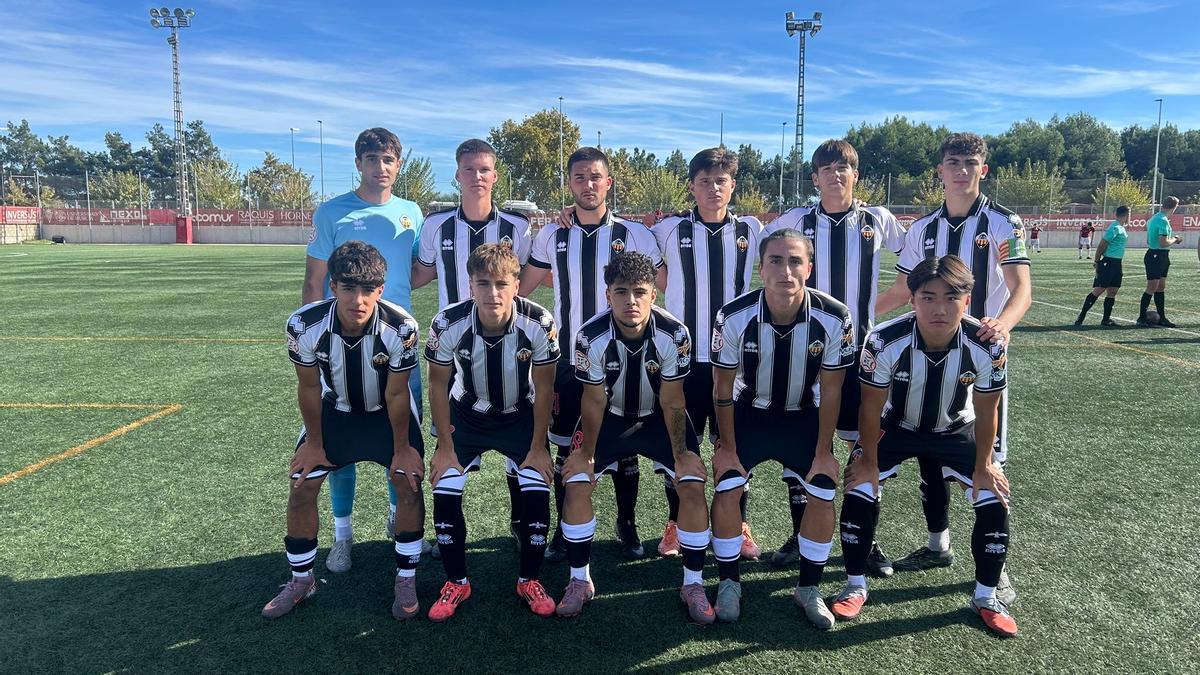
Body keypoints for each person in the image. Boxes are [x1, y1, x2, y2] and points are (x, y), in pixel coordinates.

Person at [877, 132, 1029, 605]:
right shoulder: (923, 229)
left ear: (983, 170)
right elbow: (904, 291)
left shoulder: (1005, 222)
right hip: (923, 353)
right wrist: (857, 320)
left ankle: (995, 569)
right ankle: (937, 545)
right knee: (928, 452)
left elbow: (1021, 288)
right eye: (952, 162)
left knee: (988, 464)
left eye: (969, 162)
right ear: (939, 171)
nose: (961, 169)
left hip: (978, 358)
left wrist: (999, 327)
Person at [833, 255, 1017, 638]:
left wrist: (985, 465)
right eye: (928, 297)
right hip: (895, 426)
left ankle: (985, 596)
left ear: (967, 301)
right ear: (912, 299)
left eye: (951, 297)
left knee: (995, 497)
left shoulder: (988, 344)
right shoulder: (884, 340)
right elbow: (869, 407)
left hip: (955, 428)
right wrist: (866, 458)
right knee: (858, 487)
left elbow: (987, 411)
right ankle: (854, 584)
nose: (939, 308)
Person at [764, 139, 906, 574]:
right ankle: (800, 534)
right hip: (807, 353)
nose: (835, 175)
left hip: (863, 353)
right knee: (806, 449)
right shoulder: (794, 220)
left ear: (855, 175)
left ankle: (866, 539)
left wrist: (865, 313)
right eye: (826, 169)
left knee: (865, 449)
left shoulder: (877, 219)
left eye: (842, 168)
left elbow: (913, 267)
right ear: (815, 178)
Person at [264, 241, 426, 620]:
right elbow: (307, 387)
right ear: (332, 287)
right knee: (302, 483)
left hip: (386, 415)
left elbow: (398, 393)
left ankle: (405, 577)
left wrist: (402, 449)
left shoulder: (401, 327)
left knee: (407, 480)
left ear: (380, 290)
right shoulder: (304, 324)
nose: (359, 299)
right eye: (349, 288)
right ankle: (302, 579)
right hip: (335, 411)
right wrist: (315, 444)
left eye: (368, 289)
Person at [519, 147, 664, 562]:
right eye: (579, 178)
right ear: (570, 184)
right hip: (567, 357)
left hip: (625, 354)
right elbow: (523, 287)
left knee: (624, 445)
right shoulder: (552, 234)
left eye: (595, 177)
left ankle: (627, 523)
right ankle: (566, 532)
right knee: (567, 446)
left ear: (608, 183)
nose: (588, 185)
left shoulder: (634, 234)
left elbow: (660, 287)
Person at [554, 252, 710, 623]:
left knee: (690, 483)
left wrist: (682, 452)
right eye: (621, 292)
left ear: (654, 295)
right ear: (608, 295)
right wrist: (587, 454)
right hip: (608, 419)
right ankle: (580, 580)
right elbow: (592, 399)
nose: (631, 301)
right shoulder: (590, 336)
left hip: (658, 418)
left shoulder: (675, 334)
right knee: (576, 481)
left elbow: (672, 399)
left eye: (640, 291)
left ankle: (693, 582)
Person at [708, 229, 854, 627]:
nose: (785, 271)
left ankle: (808, 587)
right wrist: (726, 446)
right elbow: (721, 388)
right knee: (728, 485)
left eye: (794, 261)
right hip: (748, 414)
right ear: (761, 268)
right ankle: (728, 581)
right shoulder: (733, 315)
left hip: (803, 416)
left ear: (809, 267)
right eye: (775, 261)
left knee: (822, 491)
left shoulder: (835, 317)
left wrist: (824, 452)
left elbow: (833, 389)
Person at [303, 128, 426, 573]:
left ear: (398, 164)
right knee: (340, 436)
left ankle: (399, 522)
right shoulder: (332, 212)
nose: (381, 167)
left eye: (389, 159)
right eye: (372, 159)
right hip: (341, 341)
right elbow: (315, 277)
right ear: (358, 163)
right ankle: (342, 535)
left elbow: (416, 272)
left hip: (397, 342)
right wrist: (314, 339)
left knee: (403, 438)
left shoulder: (412, 212)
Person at [423, 244, 559, 621]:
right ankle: (457, 581)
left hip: (521, 417)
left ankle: (529, 579)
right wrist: (444, 447)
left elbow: (545, 389)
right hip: (467, 415)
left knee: (536, 490)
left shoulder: (540, 322)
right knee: (445, 489)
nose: (492, 293)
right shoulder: (447, 323)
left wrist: (538, 447)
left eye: (502, 283)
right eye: (483, 283)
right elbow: (436, 385)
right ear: (470, 286)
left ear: (517, 284)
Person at [413, 138, 534, 552]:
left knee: (516, 439)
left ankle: (521, 522)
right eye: (469, 170)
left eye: (484, 169)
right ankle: (447, 534)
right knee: (450, 441)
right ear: (457, 174)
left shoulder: (519, 228)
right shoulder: (436, 226)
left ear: (495, 175)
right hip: (455, 351)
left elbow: (529, 278)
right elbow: (420, 275)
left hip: (508, 344)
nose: (477, 177)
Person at [651, 147, 763, 561]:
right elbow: (637, 252)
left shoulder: (752, 230)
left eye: (721, 181)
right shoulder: (668, 230)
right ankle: (677, 525)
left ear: (733, 186)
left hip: (734, 363)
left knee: (733, 445)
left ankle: (737, 526)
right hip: (683, 362)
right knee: (680, 445)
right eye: (704, 181)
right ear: (692, 186)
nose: (713, 188)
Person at [1075, 206, 1130, 327]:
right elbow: (1102, 245)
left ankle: (1106, 319)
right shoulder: (1115, 228)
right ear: (1126, 214)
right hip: (1108, 262)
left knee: (1113, 290)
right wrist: (1097, 261)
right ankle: (1081, 316)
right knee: (1099, 289)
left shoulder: (1121, 228)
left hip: (1117, 263)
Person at [1137, 196, 1184, 328]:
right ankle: (1141, 317)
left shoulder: (1155, 218)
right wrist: (1175, 239)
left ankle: (1162, 317)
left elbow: (1149, 240)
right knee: (1152, 287)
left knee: (1160, 286)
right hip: (1156, 255)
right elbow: (1163, 243)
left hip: (1160, 255)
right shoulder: (1162, 220)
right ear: (1174, 207)